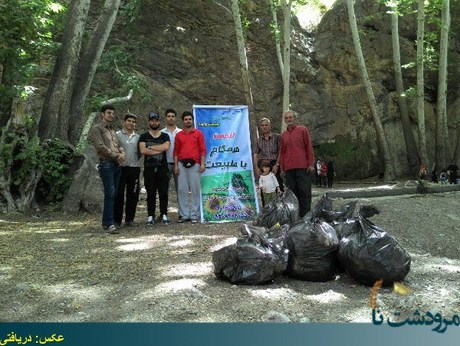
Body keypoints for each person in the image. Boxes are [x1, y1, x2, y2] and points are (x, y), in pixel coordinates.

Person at [89, 104, 125, 234]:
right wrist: (117, 156)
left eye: (113, 113)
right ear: (102, 114)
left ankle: (107, 222)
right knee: (110, 193)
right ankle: (109, 224)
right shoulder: (96, 128)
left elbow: (119, 145)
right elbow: (100, 146)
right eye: (108, 113)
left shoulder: (112, 130)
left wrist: (122, 154)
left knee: (114, 194)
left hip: (116, 165)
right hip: (106, 164)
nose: (111, 115)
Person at [280, 110, 315, 218]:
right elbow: (282, 152)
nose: (289, 119)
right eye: (287, 118)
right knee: (293, 194)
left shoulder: (302, 130)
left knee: (304, 192)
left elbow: (308, 146)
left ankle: (306, 216)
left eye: (291, 117)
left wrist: (311, 164)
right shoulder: (283, 135)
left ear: (295, 118)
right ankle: (295, 216)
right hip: (289, 168)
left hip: (302, 166)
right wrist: (282, 168)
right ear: (285, 120)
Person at [174, 111, 206, 224]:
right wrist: (176, 165)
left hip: (196, 164)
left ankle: (195, 215)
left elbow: (202, 150)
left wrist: (202, 164)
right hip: (181, 165)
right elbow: (176, 151)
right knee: (182, 189)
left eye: (190, 119)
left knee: (195, 189)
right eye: (186, 119)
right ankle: (184, 215)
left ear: (192, 120)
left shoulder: (198, 133)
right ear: (183, 121)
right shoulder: (178, 135)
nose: (188, 121)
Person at [138, 112, 171, 225]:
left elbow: (166, 147)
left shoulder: (164, 135)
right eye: (152, 120)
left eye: (156, 120)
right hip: (149, 169)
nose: (154, 122)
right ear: (149, 122)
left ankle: (164, 214)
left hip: (163, 168)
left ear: (159, 122)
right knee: (150, 193)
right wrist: (158, 149)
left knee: (163, 192)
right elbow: (143, 150)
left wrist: (150, 147)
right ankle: (150, 215)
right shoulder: (144, 136)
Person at [114, 113, 141, 228]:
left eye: (133, 122)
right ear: (124, 122)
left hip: (135, 168)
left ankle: (129, 219)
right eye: (129, 121)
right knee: (119, 194)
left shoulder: (138, 137)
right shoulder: (117, 135)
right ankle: (116, 220)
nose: (131, 123)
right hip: (121, 168)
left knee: (133, 194)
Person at [253, 117, 284, 205]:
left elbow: (280, 151)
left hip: (275, 162)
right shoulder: (259, 140)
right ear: (260, 127)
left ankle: (279, 207)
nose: (264, 127)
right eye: (262, 125)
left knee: (277, 184)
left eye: (266, 125)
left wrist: (277, 164)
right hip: (263, 164)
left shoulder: (277, 137)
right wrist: (256, 167)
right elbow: (255, 153)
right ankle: (266, 209)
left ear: (270, 126)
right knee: (265, 187)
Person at [161, 108, 182, 193]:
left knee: (180, 189)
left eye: (173, 116)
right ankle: (164, 206)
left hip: (179, 164)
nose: (171, 118)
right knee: (164, 188)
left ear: (176, 118)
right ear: (166, 118)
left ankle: (181, 206)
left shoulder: (181, 132)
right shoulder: (161, 132)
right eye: (169, 116)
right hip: (165, 163)